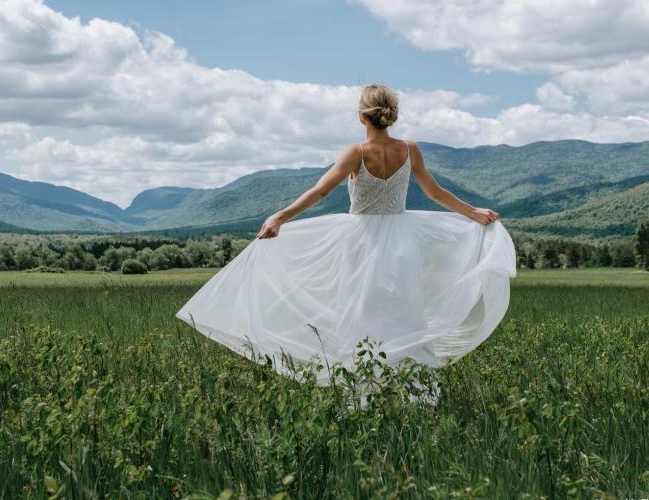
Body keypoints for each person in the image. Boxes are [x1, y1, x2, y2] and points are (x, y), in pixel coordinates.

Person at [176, 83, 517, 395]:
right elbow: (436, 193)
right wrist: (472, 212)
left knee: (360, 310)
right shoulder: (409, 149)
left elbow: (321, 190)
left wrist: (280, 216)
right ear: (389, 115)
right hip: (401, 241)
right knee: (404, 308)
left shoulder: (356, 151)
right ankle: (416, 388)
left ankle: (363, 386)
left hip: (361, 239)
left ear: (362, 115)